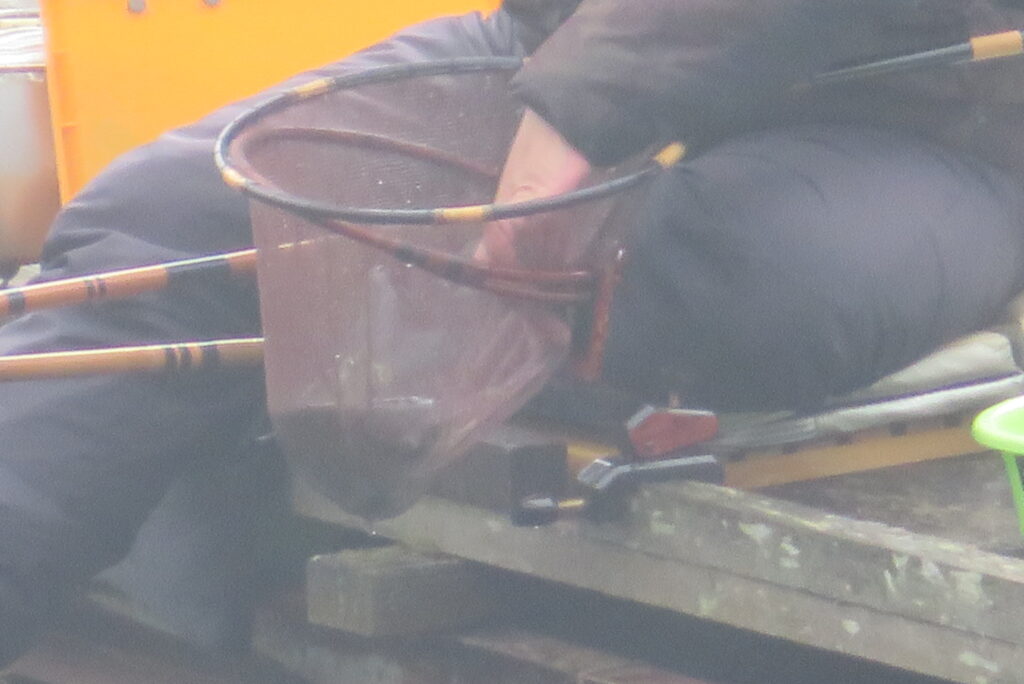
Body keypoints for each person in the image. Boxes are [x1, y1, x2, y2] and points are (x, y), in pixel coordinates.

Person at [2, 0, 1024, 665]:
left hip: (922, 124)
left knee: (676, 283)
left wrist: (579, 115)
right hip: (557, 39)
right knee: (171, 217)